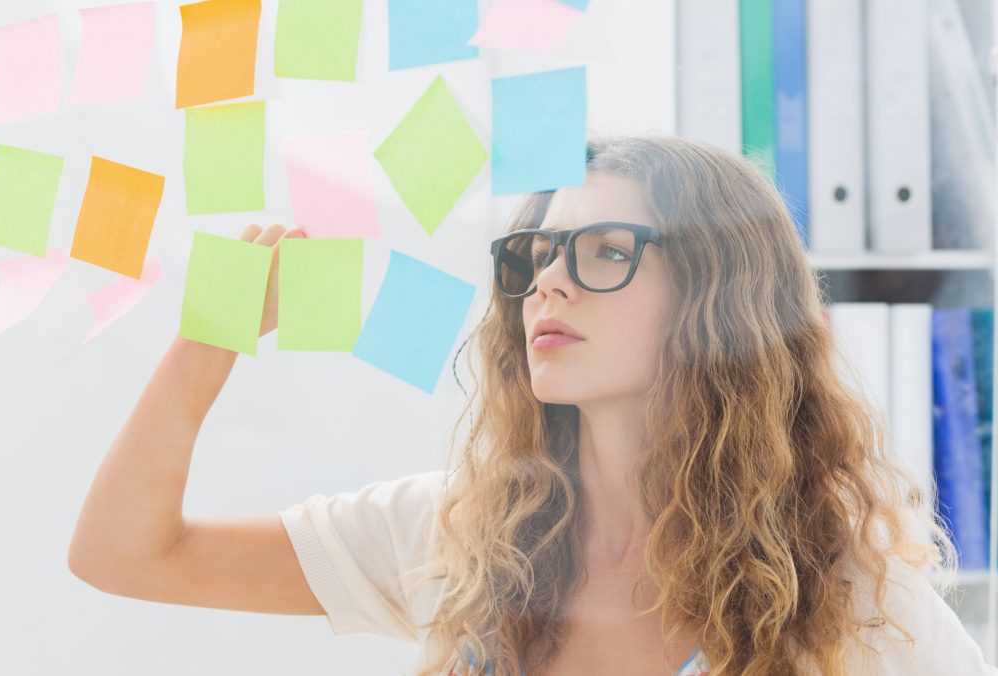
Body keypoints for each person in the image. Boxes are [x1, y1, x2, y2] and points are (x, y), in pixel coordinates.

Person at [68, 134, 998, 676]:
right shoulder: (457, 531)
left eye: (601, 250)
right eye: (534, 258)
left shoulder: (842, 599)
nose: (547, 283)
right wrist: (207, 347)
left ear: (719, 296)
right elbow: (124, 554)